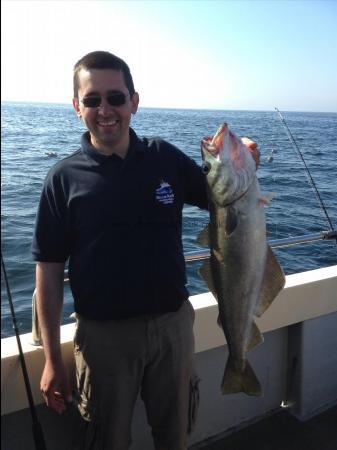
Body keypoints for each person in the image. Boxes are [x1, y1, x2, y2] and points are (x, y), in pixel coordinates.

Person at [32, 51, 259, 450]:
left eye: (116, 98)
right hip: (104, 340)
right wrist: (52, 359)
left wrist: (245, 162)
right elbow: (48, 275)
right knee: (107, 440)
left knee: (174, 437)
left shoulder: (164, 157)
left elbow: (224, 202)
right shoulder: (62, 179)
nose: (105, 110)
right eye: (92, 100)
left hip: (173, 329)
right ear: (76, 107)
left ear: (134, 101)